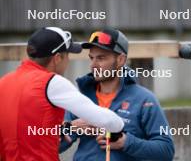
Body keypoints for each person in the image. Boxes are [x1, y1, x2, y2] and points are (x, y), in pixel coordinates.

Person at [0, 27, 124, 161]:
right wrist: (119, 129)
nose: (68, 61)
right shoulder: (53, 82)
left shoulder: (4, 82)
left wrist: (66, 128)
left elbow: (23, 127)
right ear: (58, 58)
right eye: (68, 56)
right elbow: (110, 122)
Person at [60, 27, 175, 161]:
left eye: (101, 58)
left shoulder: (145, 100)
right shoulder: (80, 97)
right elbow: (56, 146)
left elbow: (166, 150)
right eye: (91, 58)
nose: (93, 65)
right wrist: (70, 128)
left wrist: (125, 142)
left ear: (121, 60)